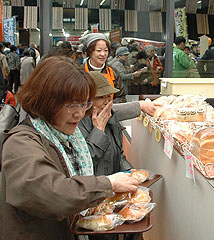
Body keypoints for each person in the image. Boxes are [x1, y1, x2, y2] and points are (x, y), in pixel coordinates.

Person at [1, 56, 139, 240]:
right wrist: (107, 184)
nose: (80, 113)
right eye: (71, 105)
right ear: (45, 101)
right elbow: (49, 193)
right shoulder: (22, 142)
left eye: (84, 104)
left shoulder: (70, 137)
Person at [80, 33, 126, 103]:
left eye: (106, 50)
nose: (103, 54)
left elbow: (121, 97)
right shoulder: (80, 72)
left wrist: (108, 105)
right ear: (90, 52)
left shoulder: (113, 72)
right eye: (98, 50)